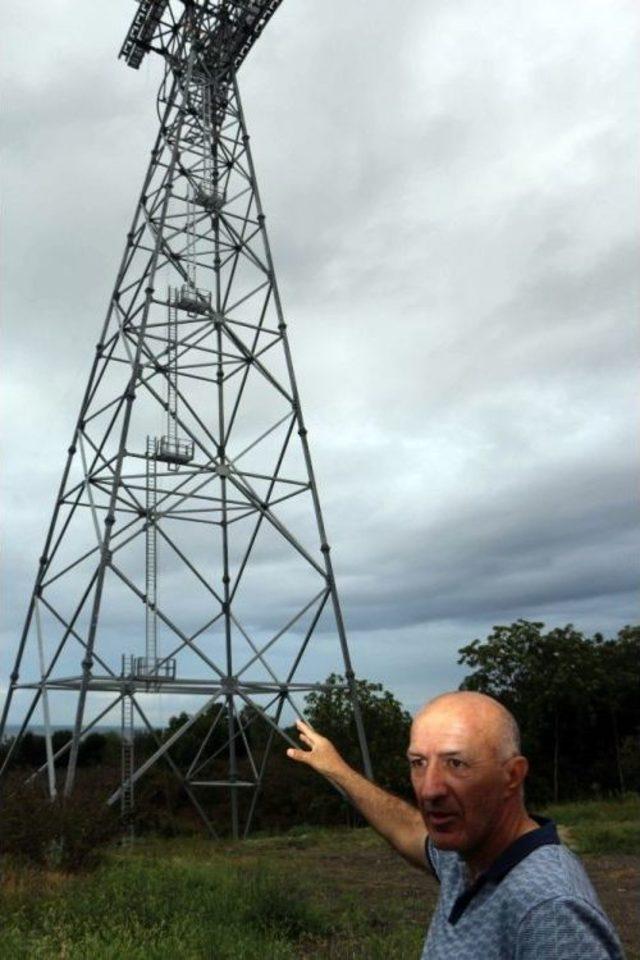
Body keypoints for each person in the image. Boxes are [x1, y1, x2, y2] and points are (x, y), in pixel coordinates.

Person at [287, 690, 625, 959]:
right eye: (418, 763)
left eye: (456, 763)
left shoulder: (549, 909)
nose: (430, 789)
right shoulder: (469, 854)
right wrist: (336, 769)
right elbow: (408, 829)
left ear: (512, 776)